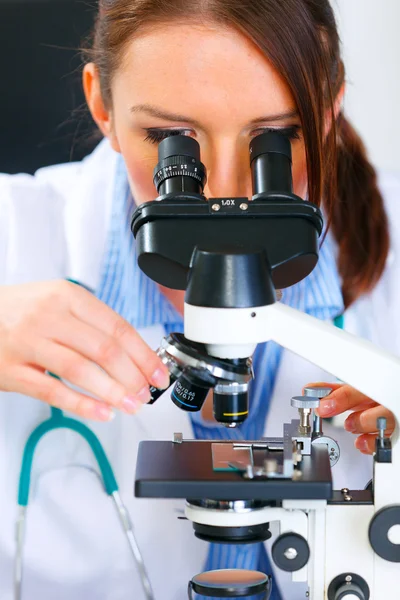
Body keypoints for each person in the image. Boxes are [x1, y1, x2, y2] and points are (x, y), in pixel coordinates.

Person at [0, 0, 398, 599]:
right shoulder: (14, 234)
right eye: (171, 141)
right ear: (102, 105)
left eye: (279, 138)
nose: (226, 193)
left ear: (330, 107)